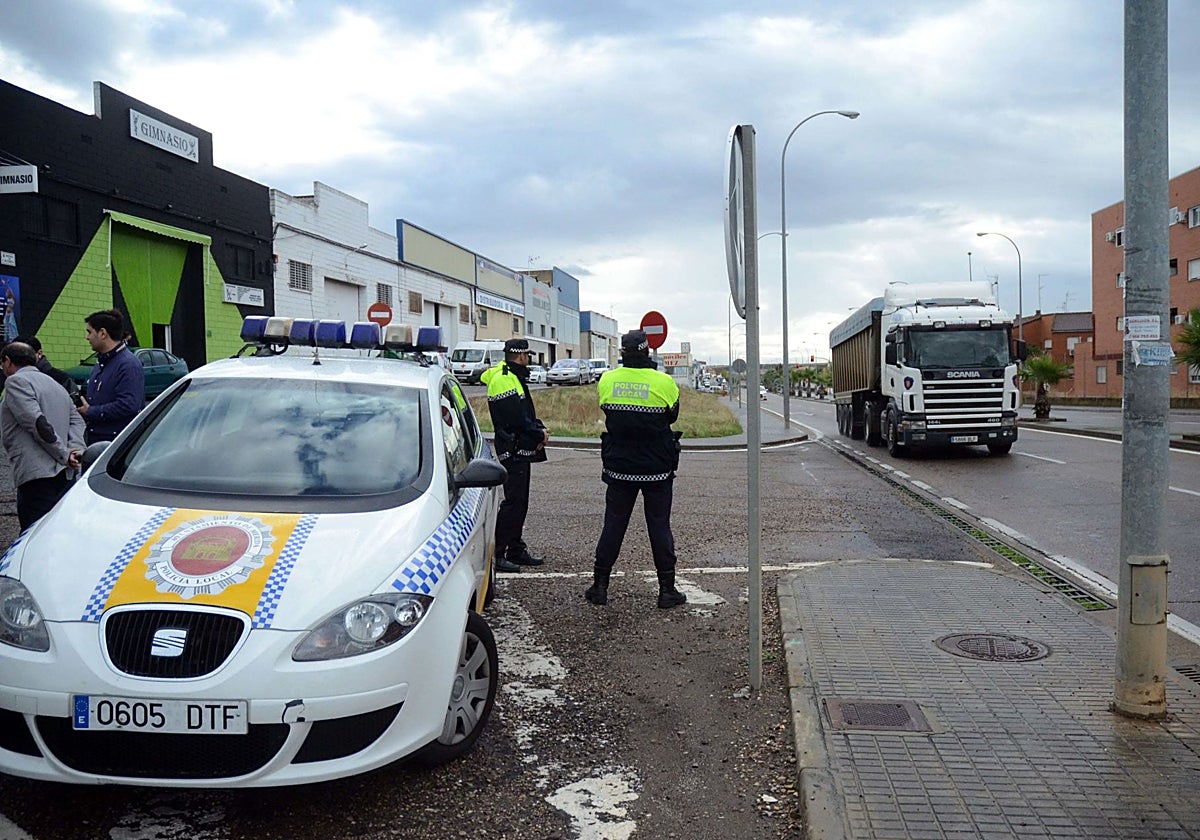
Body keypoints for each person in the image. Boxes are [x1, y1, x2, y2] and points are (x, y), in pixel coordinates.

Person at [586, 330, 686, 609]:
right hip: (657, 467)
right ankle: (667, 591)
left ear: (622, 355)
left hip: (620, 466)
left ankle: (600, 586)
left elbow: (606, 408)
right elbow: (673, 414)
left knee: (613, 524)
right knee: (659, 526)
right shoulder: (664, 382)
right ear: (646, 352)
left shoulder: (607, 379)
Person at [480, 338, 548, 573]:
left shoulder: (512, 376)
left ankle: (515, 549)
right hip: (513, 448)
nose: (528, 359)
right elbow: (516, 419)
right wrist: (538, 433)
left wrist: (538, 429)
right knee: (513, 502)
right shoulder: (504, 379)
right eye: (527, 355)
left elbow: (525, 414)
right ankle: (498, 554)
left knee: (520, 502)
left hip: (519, 446)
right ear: (521, 356)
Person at [0, 341, 85, 530]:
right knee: (56, 531)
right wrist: (75, 450)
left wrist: (63, 453)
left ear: (7, 361)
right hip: (64, 474)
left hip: (36, 475)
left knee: (33, 535)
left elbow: (37, 423)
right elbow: (77, 421)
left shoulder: (16, 382)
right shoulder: (54, 383)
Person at [78, 309, 145, 444]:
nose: (87, 338)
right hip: (97, 439)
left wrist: (91, 412)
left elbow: (129, 405)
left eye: (89, 332)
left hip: (116, 444)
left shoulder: (128, 364)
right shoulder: (101, 363)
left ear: (103, 333)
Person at [0, 335, 82, 405]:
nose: (20, 360)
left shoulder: (60, 379)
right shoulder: (12, 377)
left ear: (39, 354)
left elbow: (73, 408)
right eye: (15, 355)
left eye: (25, 354)